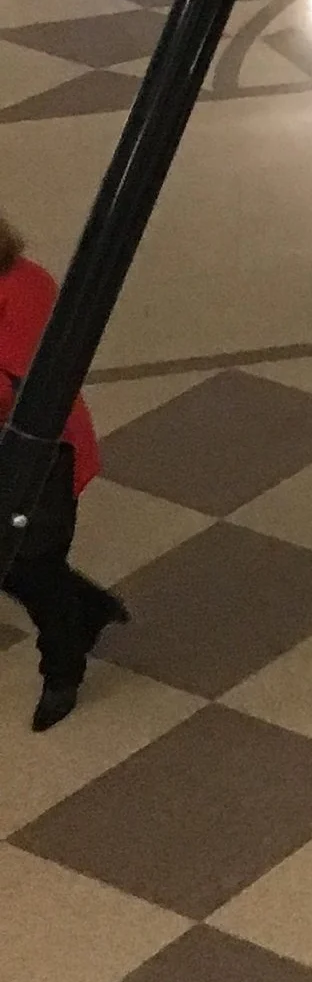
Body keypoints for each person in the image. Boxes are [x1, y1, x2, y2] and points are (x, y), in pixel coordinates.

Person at [0, 213, 129, 732]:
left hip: (40, 453)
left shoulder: (25, 286)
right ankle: (89, 609)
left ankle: (63, 668)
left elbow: (21, 388)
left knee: (29, 562)